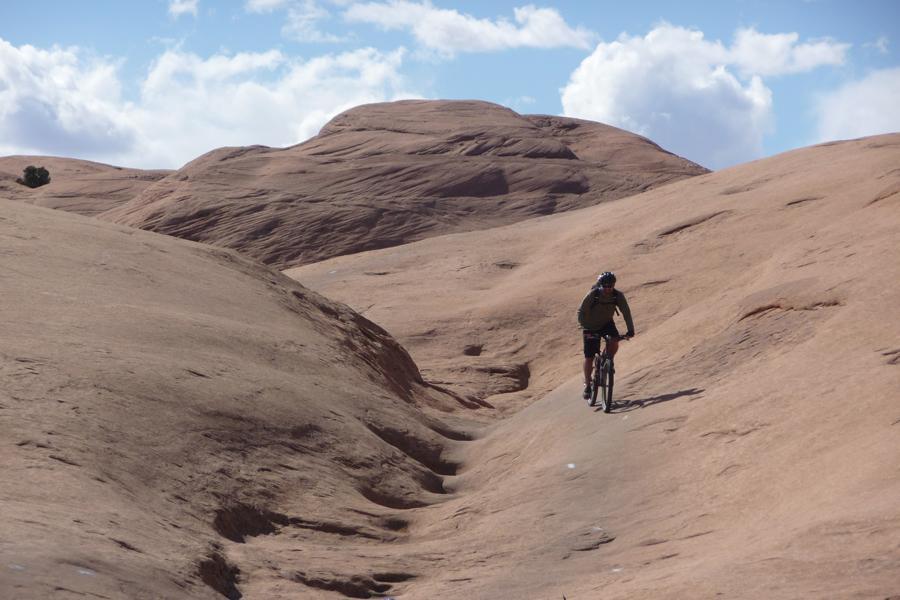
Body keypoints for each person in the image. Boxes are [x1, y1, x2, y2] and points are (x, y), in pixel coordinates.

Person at [577, 271, 635, 399]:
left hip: (606, 323)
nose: (608, 288)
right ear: (600, 285)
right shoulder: (593, 295)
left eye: (611, 286)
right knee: (589, 357)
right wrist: (584, 325)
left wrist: (630, 329)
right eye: (605, 286)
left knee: (614, 341)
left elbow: (626, 312)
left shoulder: (617, 296)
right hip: (590, 326)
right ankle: (587, 384)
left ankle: (608, 360)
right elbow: (581, 311)